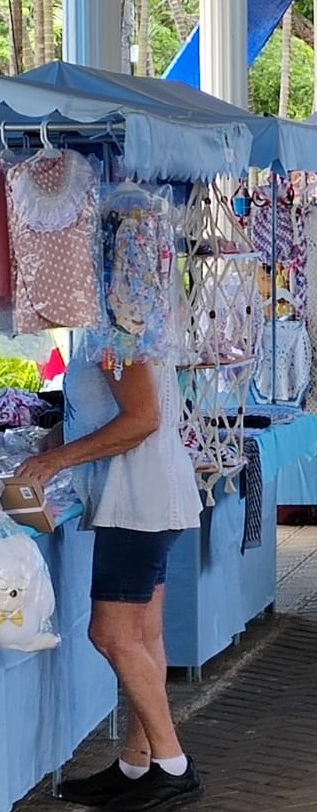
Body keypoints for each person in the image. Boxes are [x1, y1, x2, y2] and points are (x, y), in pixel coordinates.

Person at [15, 338, 203, 810]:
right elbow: (107, 413)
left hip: (138, 503)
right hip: (146, 498)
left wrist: (56, 459)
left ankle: (173, 766)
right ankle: (138, 765)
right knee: (144, 636)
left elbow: (142, 419)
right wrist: (53, 439)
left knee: (113, 635)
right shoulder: (109, 330)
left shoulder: (120, 331)